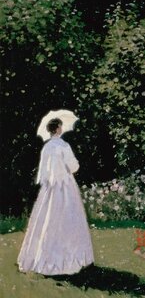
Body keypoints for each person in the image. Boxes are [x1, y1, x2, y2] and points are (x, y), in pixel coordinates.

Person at [17, 118, 94, 275]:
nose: (61, 128)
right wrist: (73, 164)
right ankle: (69, 260)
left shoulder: (46, 148)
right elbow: (73, 167)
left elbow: (43, 171)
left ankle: (40, 258)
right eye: (60, 126)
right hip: (65, 186)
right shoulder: (64, 146)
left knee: (46, 219)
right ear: (58, 129)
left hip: (50, 188)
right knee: (68, 218)